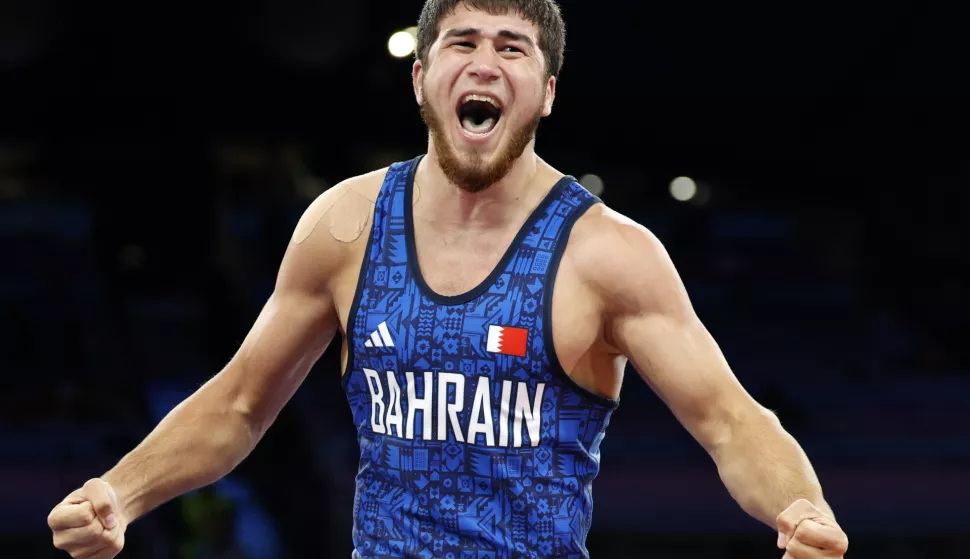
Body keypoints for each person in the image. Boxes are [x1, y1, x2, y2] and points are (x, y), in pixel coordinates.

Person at [47, 1, 850, 558]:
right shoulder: (346, 224)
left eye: (513, 47)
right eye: (464, 43)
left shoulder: (606, 252)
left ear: (546, 94)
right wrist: (120, 492)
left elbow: (729, 419)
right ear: (422, 76)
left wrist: (800, 509)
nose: (487, 62)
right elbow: (239, 401)